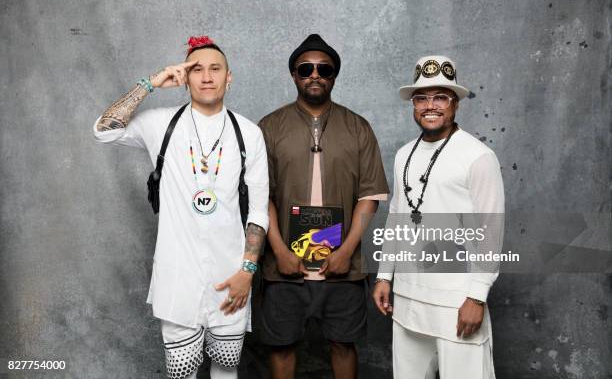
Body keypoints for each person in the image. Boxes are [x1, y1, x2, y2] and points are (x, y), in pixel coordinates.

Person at [92, 36, 269, 379]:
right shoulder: (161, 124)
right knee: (182, 374)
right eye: (196, 69)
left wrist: (247, 271)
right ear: (185, 78)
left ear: (228, 77)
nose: (206, 77)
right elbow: (103, 131)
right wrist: (152, 83)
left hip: (230, 277)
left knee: (225, 370)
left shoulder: (249, 133)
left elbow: (259, 210)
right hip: (177, 281)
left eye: (215, 69)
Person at [258, 34, 389, 379]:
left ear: (333, 75)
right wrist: (279, 250)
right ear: (294, 75)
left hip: (342, 266)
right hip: (282, 266)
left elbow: (370, 195)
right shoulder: (269, 127)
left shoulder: (358, 127)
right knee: (282, 347)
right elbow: (260, 196)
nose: (314, 74)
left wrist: (347, 250)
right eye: (305, 68)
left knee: (343, 345)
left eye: (324, 69)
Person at [372, 55, 505, 378]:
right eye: (422, 98)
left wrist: (477, 296)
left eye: (441, 97)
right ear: (413, 104)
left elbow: (491, 230)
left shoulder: (478, 157)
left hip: (457, 300)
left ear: (455, 103)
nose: (430, 105)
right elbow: (397, 218)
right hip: (408, 298)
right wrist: (385, 275)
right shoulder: (405, 153)